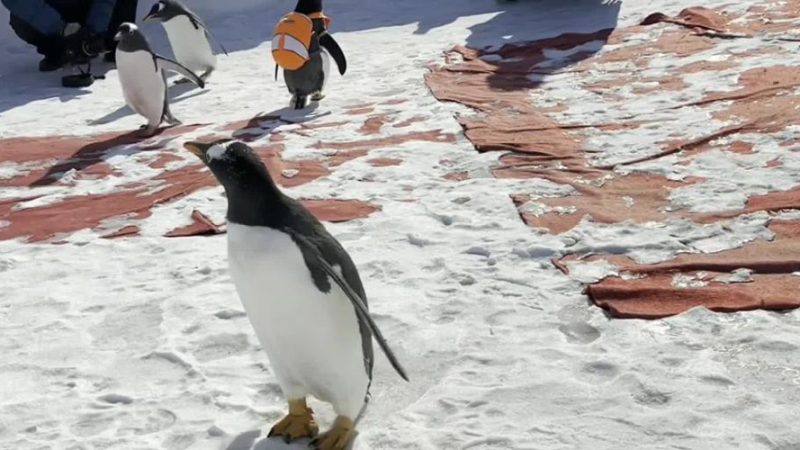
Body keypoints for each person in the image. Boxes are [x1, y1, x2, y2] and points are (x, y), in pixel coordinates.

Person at [2, 0, 138, 72]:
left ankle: (114, 46)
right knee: (20, 19)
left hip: (90, 10)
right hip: (54, 13)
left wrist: (94, 30)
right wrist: (62, 28)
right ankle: (60, 51)